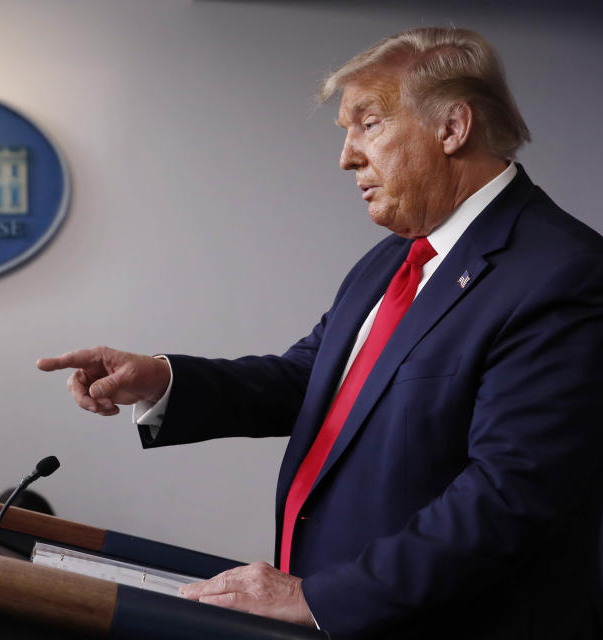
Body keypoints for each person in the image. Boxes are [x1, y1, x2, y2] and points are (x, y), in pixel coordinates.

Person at [38, 27, 603, 639]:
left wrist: (323, 598)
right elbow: (311, 377)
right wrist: (164, 380)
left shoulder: (563, 273)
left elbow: (509, 498)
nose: (347, 156)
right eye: (346, 132)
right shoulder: (394, 259)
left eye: (370, 123)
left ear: (452, 128)